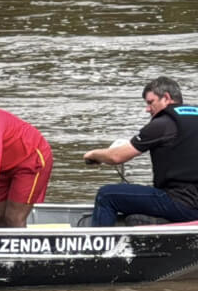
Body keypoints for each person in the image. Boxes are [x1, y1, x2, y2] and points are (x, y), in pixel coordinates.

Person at [83, 76, 198, 227]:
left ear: (166, 98)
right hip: (192, 203)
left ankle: (99, 248)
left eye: (151, 102)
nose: (147, 109)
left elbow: (116, 157)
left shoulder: (163, 124)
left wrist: (93, 154)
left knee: (106, 195)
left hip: (180, 203)